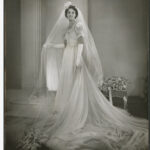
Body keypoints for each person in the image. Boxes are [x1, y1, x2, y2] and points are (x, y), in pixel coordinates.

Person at [18, 2, 148, 150]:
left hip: (75, 57)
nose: (71, 15)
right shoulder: (67, 28)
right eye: (69, 14)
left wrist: (78, 59)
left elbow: (81, 43)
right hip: (68, 56)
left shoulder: (78, 26)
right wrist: (51, 46)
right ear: (66, 15)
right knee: (67, 83)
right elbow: (66, 45)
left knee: (77, 83)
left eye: (73, 13)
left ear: (76, 14)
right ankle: (67, 109)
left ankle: (77, 111)